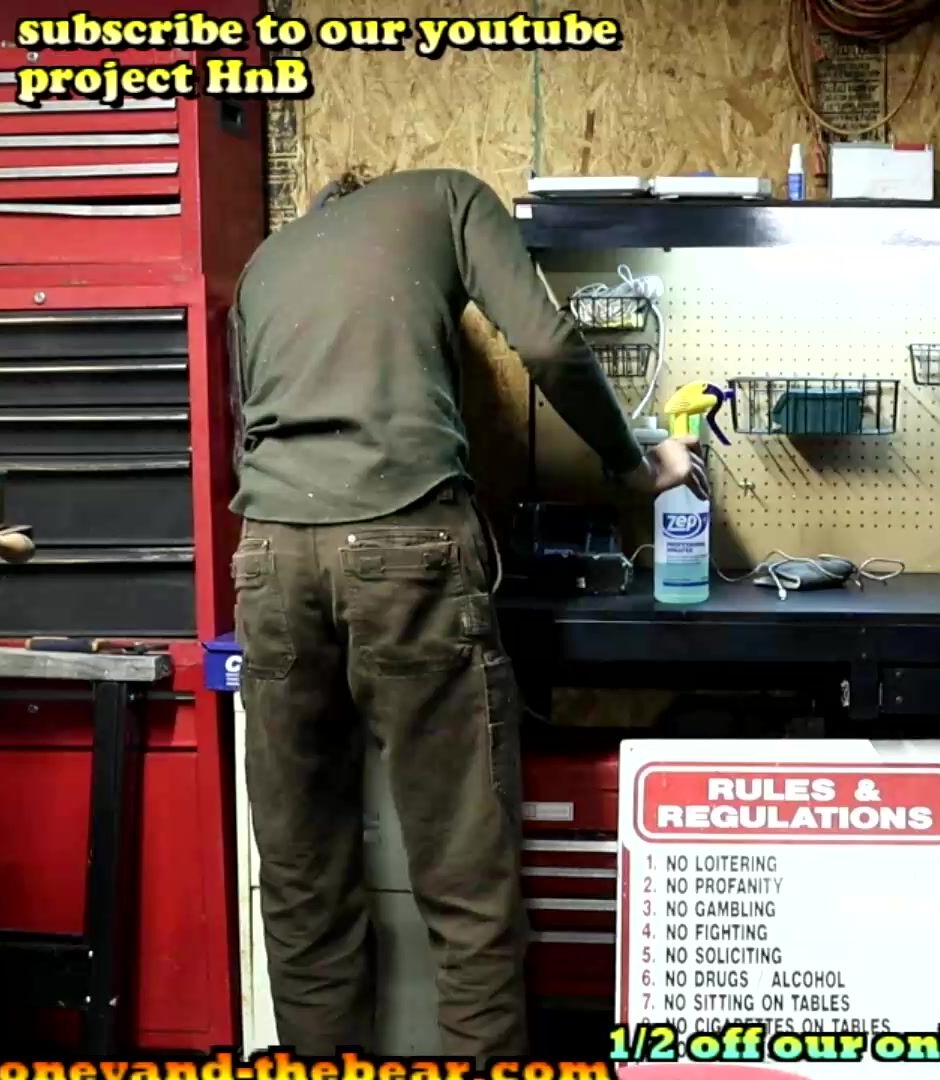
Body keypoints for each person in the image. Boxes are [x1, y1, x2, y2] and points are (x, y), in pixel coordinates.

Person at [228, 168, 700, 1058]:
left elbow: (246, 424)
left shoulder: (267, 260)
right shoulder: (448, 198)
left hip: (269, 557)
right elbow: (549, 344)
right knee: (465, 886)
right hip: (405, 542)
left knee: (301, 886)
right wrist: (630, 463)